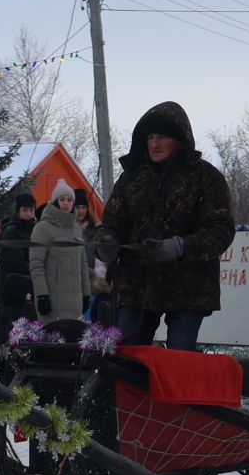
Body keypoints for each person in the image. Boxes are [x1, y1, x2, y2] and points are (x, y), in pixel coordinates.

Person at [97, 102, 236, 351]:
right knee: (125, 357)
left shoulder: (206, 177)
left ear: (180, 140)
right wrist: (106, 242)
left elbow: (220, 229)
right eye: (150, 137)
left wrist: (180, 246)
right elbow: (111, 223)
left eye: (162, 137)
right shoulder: (131, 178)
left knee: (178, 361)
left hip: (189, 289)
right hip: (136, 285)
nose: (154, 144)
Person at [28, 186, 92, 325]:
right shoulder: (42, 227)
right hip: (53, 302)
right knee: (54, 343)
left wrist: (86, 294)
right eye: (62, 199)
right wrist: (42, 295)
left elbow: (83, 265)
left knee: (73, 344)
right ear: (55, 201)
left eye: (69, 200)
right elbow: (36, 265)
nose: (66, 203)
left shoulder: (76, 228)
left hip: (75, 304)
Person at [0, 192, 38, 318]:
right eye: (25, 210)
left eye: (31, 210)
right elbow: (15, 262)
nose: (29, 213)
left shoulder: (36, 229)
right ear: (18, 211)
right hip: (16, 286)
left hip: (32, 282)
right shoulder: (11, 231)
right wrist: (36, 273)